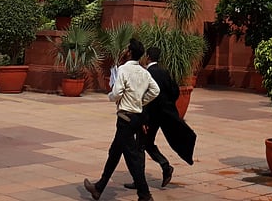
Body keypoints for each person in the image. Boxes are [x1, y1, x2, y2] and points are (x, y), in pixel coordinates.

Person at [84, 39, 160, 201]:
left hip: (125, 117)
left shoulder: (124, 70)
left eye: (127, 49)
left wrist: (111, 96)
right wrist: (141, 100)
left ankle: (145, 194)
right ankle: (99, 187)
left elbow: (117, 92)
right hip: (137, 117)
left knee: (132, 158)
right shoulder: (144, 72)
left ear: (130, 52)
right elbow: (155, 90)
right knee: (114, 153)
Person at [124, 47, 196, 191]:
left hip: (150, 117)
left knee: (141, 146)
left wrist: (144, 119)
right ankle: (164, 166)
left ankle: (142, 179)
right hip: (164, 115)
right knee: (147, 144)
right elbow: (175, 91)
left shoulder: (147, 74)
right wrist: (166, 105)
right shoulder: (164, 72)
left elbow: (144, 98)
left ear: (148, 57)